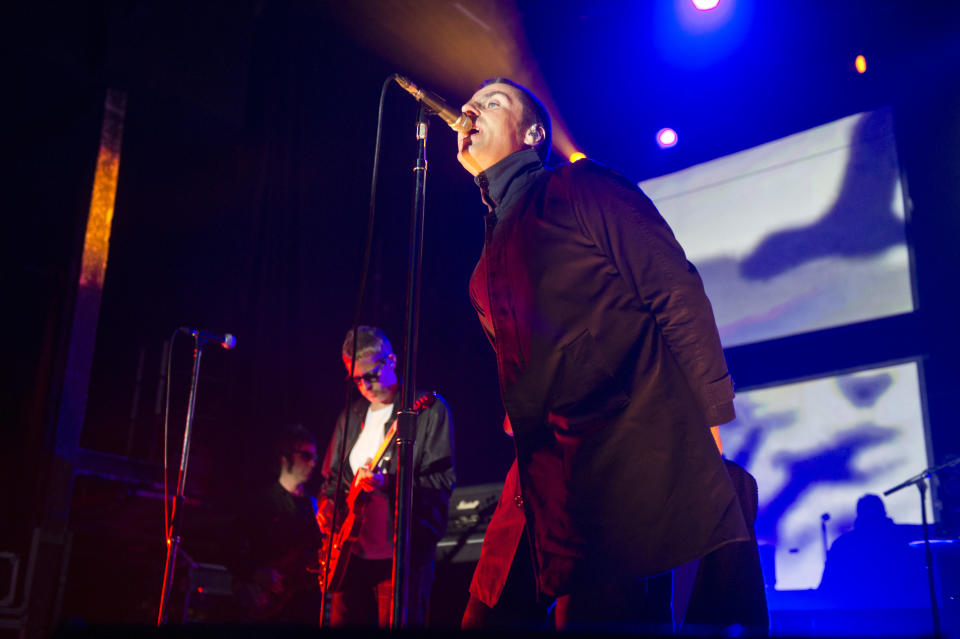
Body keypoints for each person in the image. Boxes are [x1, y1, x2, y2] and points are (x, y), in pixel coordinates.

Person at [454, 78, 750, 631]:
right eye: (471, 103)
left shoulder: (580, 187)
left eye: (493, 102)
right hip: (542, 479)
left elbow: (673, 289)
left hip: (621, 460)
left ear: (532, 134)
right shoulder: (481, 275)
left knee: (607, 616)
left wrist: (709, 415)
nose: (471, 108)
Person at [317, 326, 455, 628]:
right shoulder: (350, 417)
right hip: (351, 558)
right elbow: (332, 482)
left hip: (402, 557)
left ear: (391, 360)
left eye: (371, 374)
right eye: (356, 379)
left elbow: (440, 483)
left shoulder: (427, 410)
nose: (365, 385)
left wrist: (387, 484)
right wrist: (328, 510)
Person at [234, 423, 325, 624]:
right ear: (285, 458)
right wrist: (254, 574)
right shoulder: (261, 501)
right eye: (306, 456)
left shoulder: (315, 507)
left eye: (315, 458)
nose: (313, 464)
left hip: (302, 608)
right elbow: (232, 548)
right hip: (266, 606)